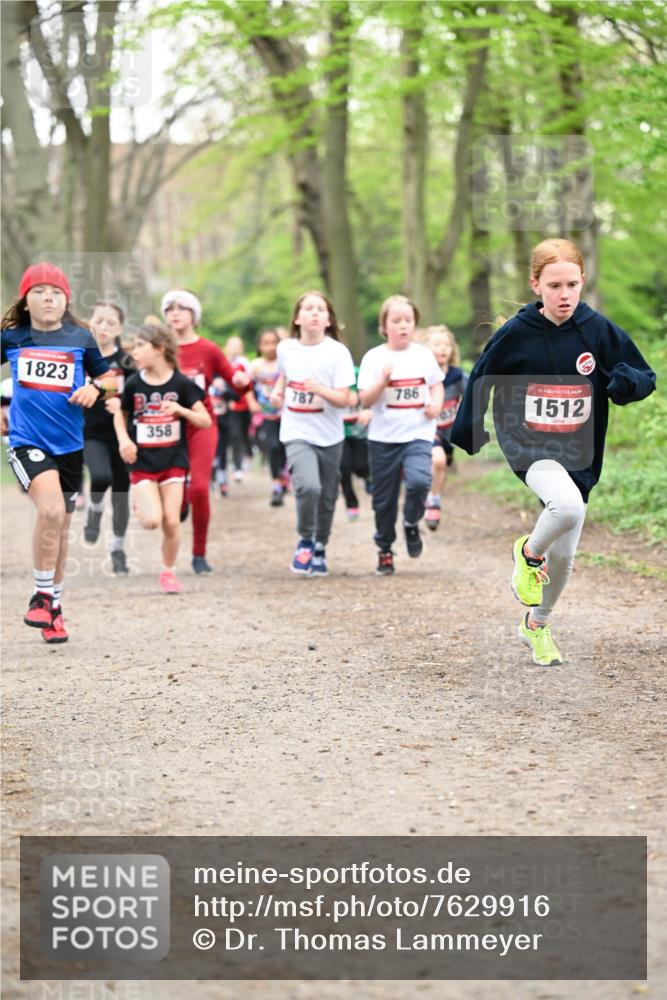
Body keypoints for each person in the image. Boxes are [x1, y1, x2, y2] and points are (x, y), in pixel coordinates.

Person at [451, 237, 656, 666]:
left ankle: (536, 624)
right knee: (567, 507)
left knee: (564, 560)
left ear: (582, 281)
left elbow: (643, 375)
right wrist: (469, 430)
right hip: (528, 443)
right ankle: (528, 553)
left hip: (580, 451)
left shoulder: (596, 329)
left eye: (572, 285)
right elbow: (482, 375)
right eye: (554, 286)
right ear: (536, 285)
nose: (565, 295)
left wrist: (623, 383)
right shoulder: (516, 333)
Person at [1, 263, 111, 643]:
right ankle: (41, 595)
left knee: (61, 528)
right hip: (27, 442)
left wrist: (96, 388)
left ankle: (54, 608)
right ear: (25, 301)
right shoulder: (12, 338)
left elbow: (111, 378)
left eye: (56, 292)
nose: (48, 297)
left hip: (70, 447)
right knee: (49, 510)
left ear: (66, 300)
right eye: (39, 291)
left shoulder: (81, 338)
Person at [114, 323, 211, 594]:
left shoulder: (182, 384)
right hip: (143, 461)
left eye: (140, 346)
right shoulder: (134, 383)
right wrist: (124, 440)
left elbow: (205, 420)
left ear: (159, 349)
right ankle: (142, 504)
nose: (134, 352)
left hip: (173, 461)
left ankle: (168, 572)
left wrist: (182, 410)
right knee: (152, 521)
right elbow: (120, 414)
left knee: (172, 520)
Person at [161, 290, 249, 573]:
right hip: (166, 427)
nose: (175, 313)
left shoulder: (208, 350)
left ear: (194, 315)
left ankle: (199, 554)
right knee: (171, 490)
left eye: (182, 308)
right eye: (170, 308)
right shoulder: (160, 349)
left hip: (201, 425)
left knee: (199, 488)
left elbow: (236, 383)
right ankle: (179, 506)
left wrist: (242, 381)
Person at [358, 295, 444, 576]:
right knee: (384, 500)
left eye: (408, 320)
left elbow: (436, 385)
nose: (403, 325)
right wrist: (383, 381)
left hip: (418, 433)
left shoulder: (423, 355)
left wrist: (436, 404)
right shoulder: (374, 357)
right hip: (383, 439)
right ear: (384, 326)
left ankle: (411, 523)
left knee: (419, 481)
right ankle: (385, 548)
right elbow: (365, 399)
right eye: (396, 320)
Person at [270, 290, 355, 576]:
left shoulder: (337, 352)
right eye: (308, 308)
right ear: (297, 318)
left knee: (328, 496)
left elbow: (344, 399)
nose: (315, 313)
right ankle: (306, 539)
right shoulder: (286, 348)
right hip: (296, 431)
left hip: (330, 434)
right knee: (309, 487)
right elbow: (284, 375)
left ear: (329, 320)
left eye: (320, 309)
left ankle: (320, 546)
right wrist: (278, 392)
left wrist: (320, 390)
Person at [82, 301, 135, 572]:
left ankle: (117, 549)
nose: (103, 327)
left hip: (122, 435)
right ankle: (94, 509)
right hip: (91, 432)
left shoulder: (127, 361)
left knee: (121, 493)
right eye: (99, 321)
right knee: (101, 477)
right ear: (90, 322)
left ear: (120, 328)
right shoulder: (80, 356)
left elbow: (138, 395)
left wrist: (122, 404)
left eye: (110, 322)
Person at [424, 325, 468, 531]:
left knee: (442, 465)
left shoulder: (457, 375)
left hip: (449, 431)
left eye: (446, 345)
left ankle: (435, 496)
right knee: (438, 460)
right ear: (426, 348)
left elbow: (473, 395)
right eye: (437, 344)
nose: (443, 348)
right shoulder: (421, 375)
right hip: (427, 429)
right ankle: (431, 501)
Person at [248, 329, 286, 506]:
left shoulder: (284, 363)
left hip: (287, 414)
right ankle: (276, 484)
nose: (271, 347)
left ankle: (285, 477)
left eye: (274, 342)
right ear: (259, 346)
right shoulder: (255, 366)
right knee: (273, 446)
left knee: (285, 447)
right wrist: (251, 402)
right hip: (267, 415)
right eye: (266, 343)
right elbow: (246, 387)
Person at [340, 367, 372, 520]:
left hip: (360, 431)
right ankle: (351, 504)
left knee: (361, 467)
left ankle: (368, 475)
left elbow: (372, 391)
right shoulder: (324, 373)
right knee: (343, 467)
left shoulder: (359, 372)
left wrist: (356, 392)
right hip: (338, 433)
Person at [224, 335, 253, 483]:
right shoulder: (225, 363)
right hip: (231, 406)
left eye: (237, 346)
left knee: (245, 434)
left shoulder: (245, 364)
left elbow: (250, 384)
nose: (234, 349)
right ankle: (237, 466)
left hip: (245, 406)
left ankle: (247, 455)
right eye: (231, 345)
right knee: (234, 435)